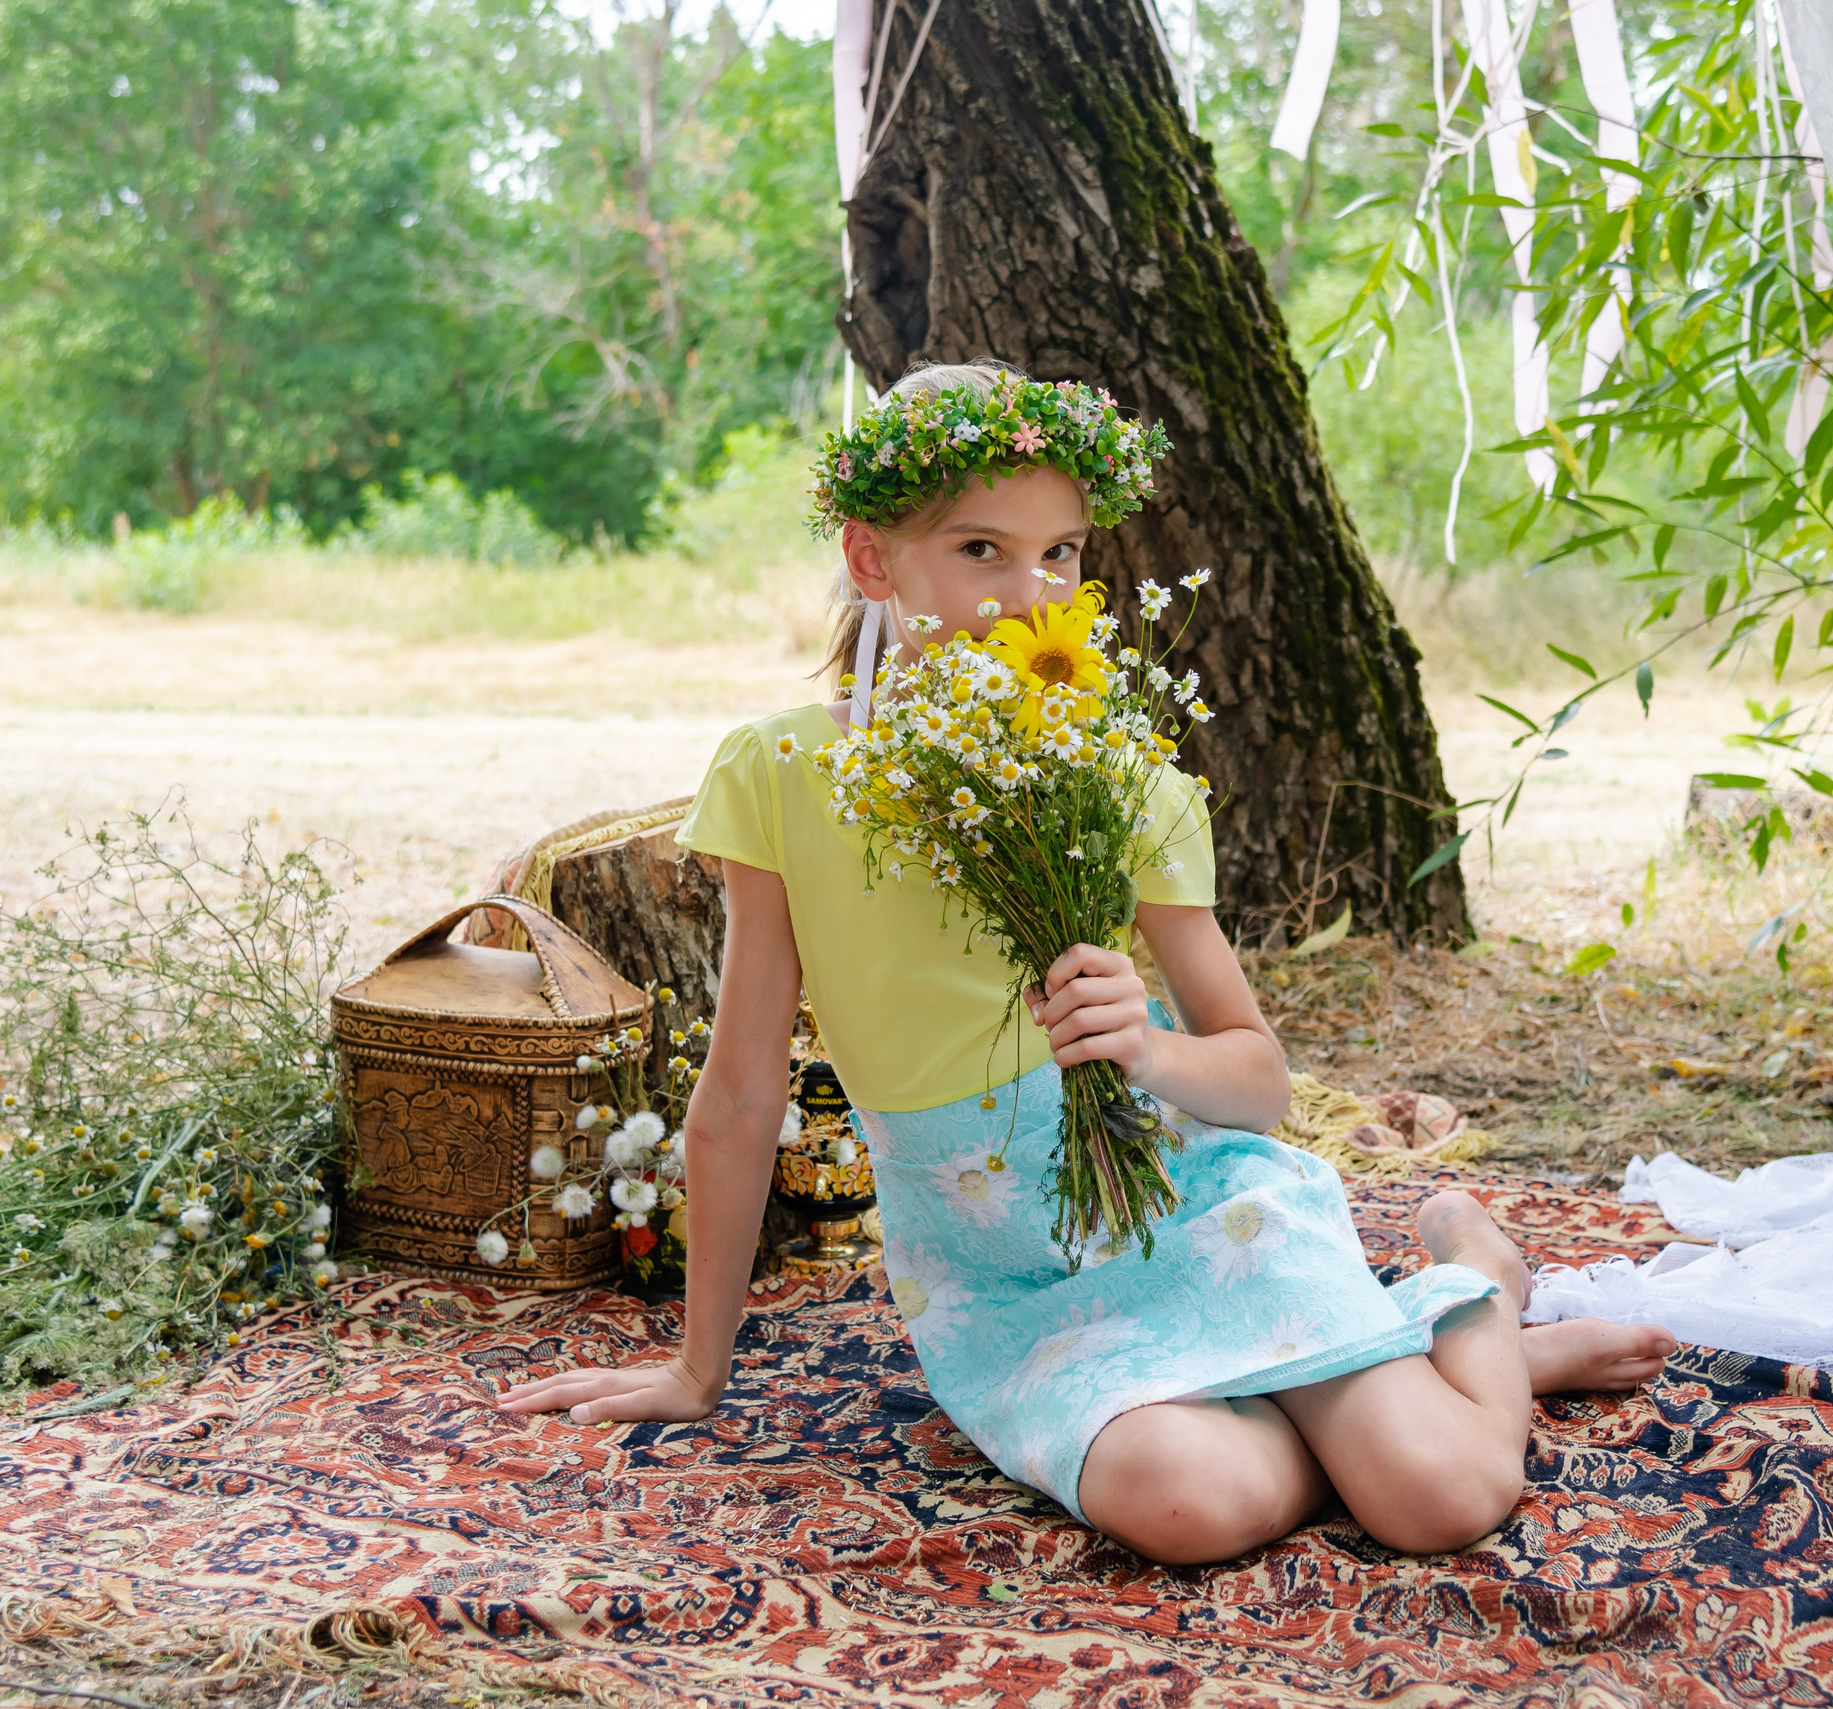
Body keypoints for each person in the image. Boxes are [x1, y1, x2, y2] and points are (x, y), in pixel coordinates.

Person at [499, 361, 1677, 1564]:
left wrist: (1149, 1043)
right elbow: (742, 1089)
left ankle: (1475, 1288)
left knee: (1437, 1501)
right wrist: (700, 1368)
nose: (1028, 591)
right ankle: (1391, 1363)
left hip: (1193, 1212)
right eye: (979, 551)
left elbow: (1258, 1080)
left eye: (1059, 554)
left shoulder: (1123, 776)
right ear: (872, 559)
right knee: (1187, 1506)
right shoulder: (781, 774)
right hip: (1004, 1277)